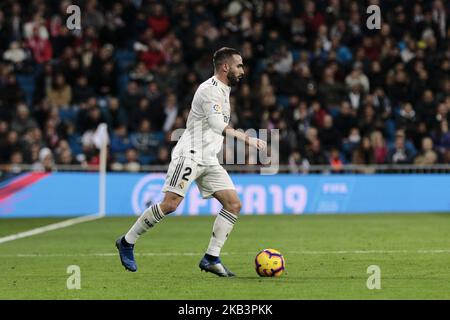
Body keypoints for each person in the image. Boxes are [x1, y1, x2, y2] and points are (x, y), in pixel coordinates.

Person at [116, 47, 266, 277]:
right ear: (225, 66)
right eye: (239, 65)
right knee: (170, 204)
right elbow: (217, 125)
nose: (242, 71)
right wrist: (248, 139)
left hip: (209, 159)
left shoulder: (225, 91)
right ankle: (127, 241)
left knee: (233, 204)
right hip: (190, 154)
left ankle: (211, 257)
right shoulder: (209, 90)